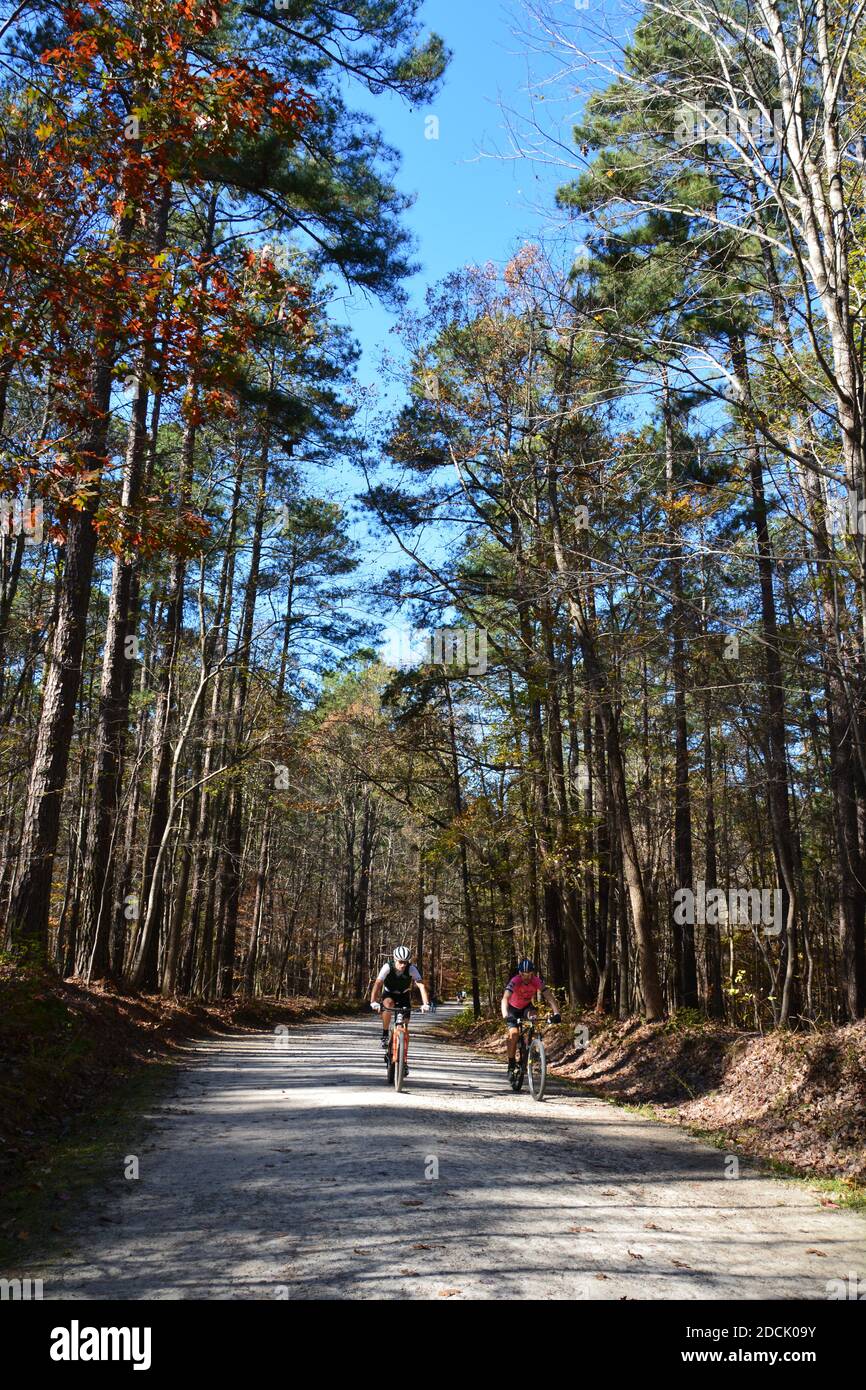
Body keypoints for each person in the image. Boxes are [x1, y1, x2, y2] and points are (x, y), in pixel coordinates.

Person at [370, 945, 430, 1077]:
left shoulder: (411, 969)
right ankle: (385, 1034)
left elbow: (420, 985)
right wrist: (373, 1001)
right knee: (388, 1005)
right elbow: (378, 984)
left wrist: (425, 1003)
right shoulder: (387, 967)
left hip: (403, 995)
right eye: (400, 962)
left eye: (405, 962)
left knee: (405, 1022)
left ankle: (403, 1061)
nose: (403, 965)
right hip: (389, 993)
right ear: (395, 959)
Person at [501, 958, 561, 1076]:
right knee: (513, 1034)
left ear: (532, 973)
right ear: (520, 973)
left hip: (527, 1007)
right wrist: (506, 1015)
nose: (526, 977)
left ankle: (532, 1044)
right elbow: (505, 998)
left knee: (533, 1017)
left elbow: (549, 996)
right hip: (513, 1009)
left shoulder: (536, 981)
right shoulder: (515, 981)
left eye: (529, 974)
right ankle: (511, 1063)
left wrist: (556, 1013)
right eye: (523, 975)